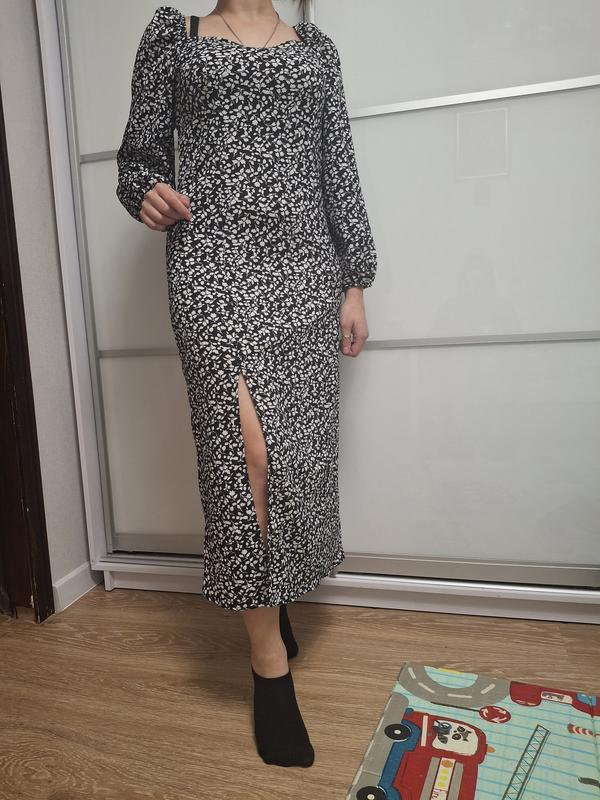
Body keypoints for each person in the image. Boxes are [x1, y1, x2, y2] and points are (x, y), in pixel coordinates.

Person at [115, 0, 378, 768]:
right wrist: (146, 191)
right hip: (211, 262)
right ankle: (268, 662)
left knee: (295, 459)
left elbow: (338, 167)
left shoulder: (317, 49)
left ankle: (276, 593)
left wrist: (355, 282)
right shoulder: (176, 34)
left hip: (304, 270)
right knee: (245, 458)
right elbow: (137, 158)